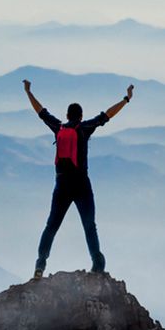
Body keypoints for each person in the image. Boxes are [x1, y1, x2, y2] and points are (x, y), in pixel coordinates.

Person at [23, 78, 133, 279]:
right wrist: (126, 99)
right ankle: (98, 264)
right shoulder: (84, 128)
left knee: (51, 227)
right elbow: (107, 115)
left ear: (67, 115)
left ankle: (40, 266)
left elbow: (41, 112)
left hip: (62, 185)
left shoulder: (59, 128)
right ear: (80, 117)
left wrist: (28, 92)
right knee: (89, 225)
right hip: (82, 184)